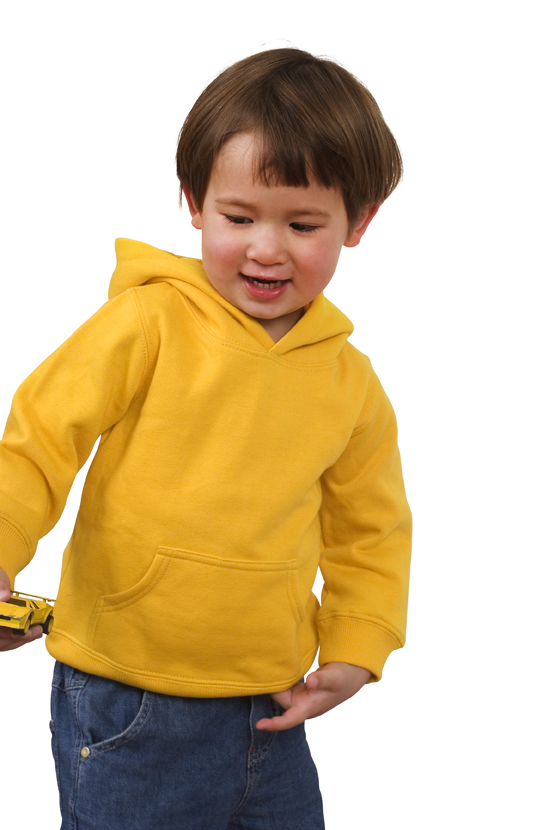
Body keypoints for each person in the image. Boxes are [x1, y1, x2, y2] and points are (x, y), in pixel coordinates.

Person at [0, 48, 412, 829]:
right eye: (238, 217)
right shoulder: (146, 323)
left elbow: (372, 529)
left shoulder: (349, 382)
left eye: (301, 224)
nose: (266, 247)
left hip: (269, 704)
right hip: (128, 696)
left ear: (357, 222)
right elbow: (38, 441)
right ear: (193, 202)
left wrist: (357, 644)